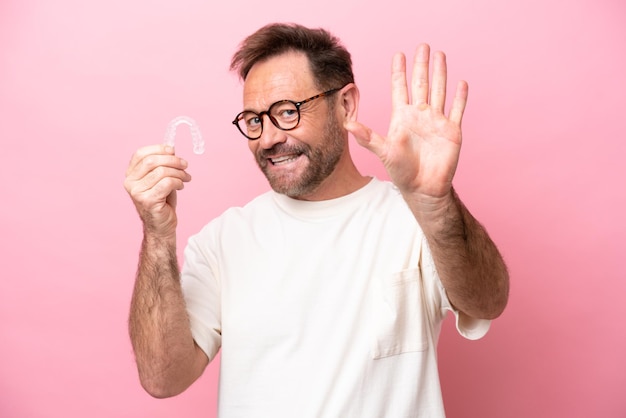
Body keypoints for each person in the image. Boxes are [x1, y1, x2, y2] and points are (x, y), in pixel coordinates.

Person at [124, 22, 509, 417]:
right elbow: (163, 377)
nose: (268, 138)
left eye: (287, 112)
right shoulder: (223, 241)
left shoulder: (412, 220)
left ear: (345, 105)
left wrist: (436, 202)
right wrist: (157, 233)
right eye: (254, 120)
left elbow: (488, 301)